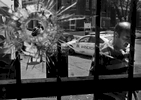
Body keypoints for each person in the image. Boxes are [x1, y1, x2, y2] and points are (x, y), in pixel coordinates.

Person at [89, 22, 131, 100]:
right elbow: (92, 80)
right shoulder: (102, 53)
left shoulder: (127, 51)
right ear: (116, 35)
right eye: (127, 37)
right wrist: (115, 95)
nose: (130, 41)